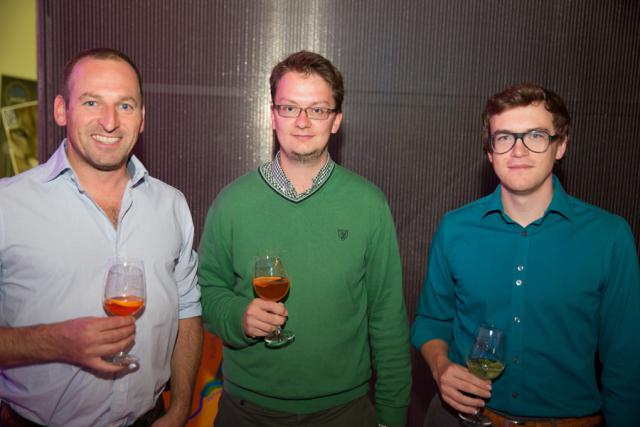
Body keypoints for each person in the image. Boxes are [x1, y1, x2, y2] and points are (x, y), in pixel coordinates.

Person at [198, 51, 411, 427]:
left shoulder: (368, 204)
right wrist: (238, 316)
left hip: (345, 413)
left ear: (336, 121)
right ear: (272, 115)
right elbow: (206, 290)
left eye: (317, 110)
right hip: (246, 413)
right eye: (289, 107)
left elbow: (387, 320)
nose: (301, 122)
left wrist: (393, 416)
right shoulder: (232, 202)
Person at [411, 83, 640, 427]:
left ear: (560, 145)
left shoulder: (609, 237)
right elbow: (432, 320)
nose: (517, 150)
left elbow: (626, 364)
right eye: (504, 137)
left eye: (534, 136)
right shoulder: (455, 229)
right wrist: (440, 365)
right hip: (462, 419)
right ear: (490, 151)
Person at [0, 48, 203, 427]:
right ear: (62, 110)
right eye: (92, 102)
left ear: (142, 119)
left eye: (125, 106)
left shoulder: (171, 205)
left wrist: (180, 407)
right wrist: (54, 342)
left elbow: (187, 309)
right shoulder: (7, 205)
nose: (109, 122)